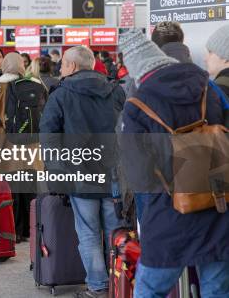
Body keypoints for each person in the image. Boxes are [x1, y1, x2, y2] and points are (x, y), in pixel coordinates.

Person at [119, 29, 229, 297]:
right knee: (216, 289)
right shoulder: (208, 88)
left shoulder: (137, 104)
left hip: (170, 212)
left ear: (137, 69)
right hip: (218, 204)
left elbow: (139, 175)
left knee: (150, 289)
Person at [39, 46, 126, 297]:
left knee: (88, 232)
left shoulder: (61, 95)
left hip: (80, 176)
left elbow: (49, 138)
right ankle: (119, 284)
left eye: (63, 64)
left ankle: (98, 286)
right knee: (115, 231)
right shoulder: (116, 90)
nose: (60, 68)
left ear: (73, 66)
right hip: (114, 175)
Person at [0, 52, 47, 243]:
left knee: (11, 188)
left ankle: (14, 230)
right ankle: (30, 229)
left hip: (6, 145)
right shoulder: (35, 84)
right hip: (32, 146)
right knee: (30, 188)